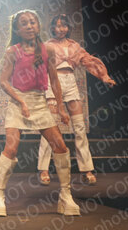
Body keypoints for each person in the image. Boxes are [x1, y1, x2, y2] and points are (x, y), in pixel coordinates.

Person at [0, 10, 80, 217]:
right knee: (11, 148)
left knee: (60, 146)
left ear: (38, 26)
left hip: (40, 102)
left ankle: (65, 195)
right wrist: (21, 101)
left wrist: (60, 107)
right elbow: (4, 82)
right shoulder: (12, 51)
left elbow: (54, 80)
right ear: (17, 29)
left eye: (32, 22)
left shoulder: (47, 49)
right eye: (24, 23)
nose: (29, 26)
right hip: (18, 103)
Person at [37, 14, 116, 186]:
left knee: (80, 128)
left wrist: (104, 77)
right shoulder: (48, 45)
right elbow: (38, 65)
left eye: (64, 26)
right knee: (50, 128)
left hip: (70, 82)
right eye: (57, 26)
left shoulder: (74, 46)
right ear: (52, 28)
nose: (61, 29)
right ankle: (43, 169)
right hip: (53, 82)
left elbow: (89, 61)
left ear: (68, 28)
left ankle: (87, 170)